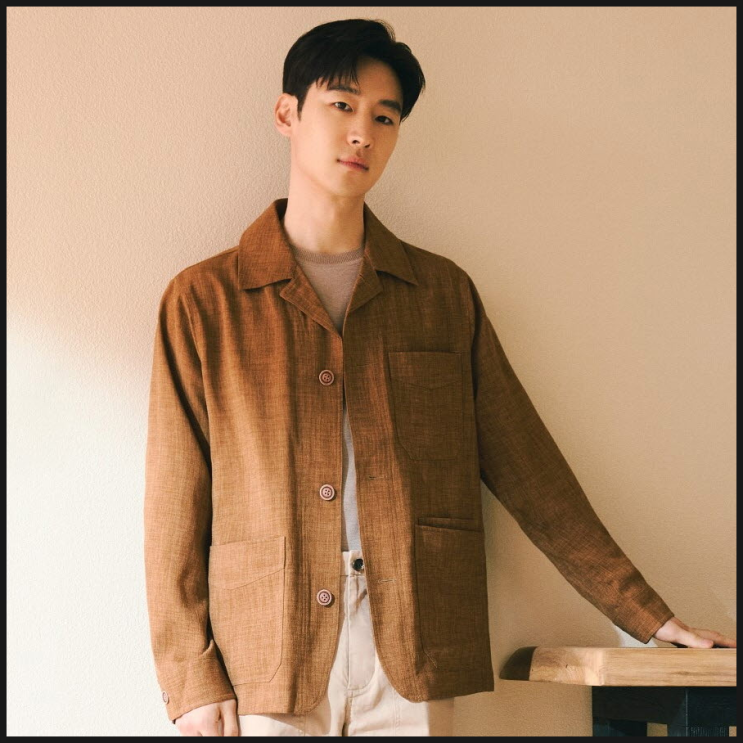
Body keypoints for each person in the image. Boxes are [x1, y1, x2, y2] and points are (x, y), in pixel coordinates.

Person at [143, 17, 736, 738]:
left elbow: (529, 469)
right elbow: (174, 508)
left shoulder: (439, 294)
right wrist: (190, 677)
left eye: (384, 117)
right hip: (265, 659)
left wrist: (649, 617)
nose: (362, 133)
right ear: (286, 113)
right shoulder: (205, 300)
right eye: (341, 105)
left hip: (413, 649)